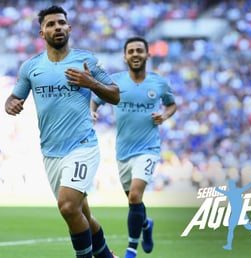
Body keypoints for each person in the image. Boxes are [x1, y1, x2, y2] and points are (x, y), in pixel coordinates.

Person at [4, 5, 120, 258]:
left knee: (67, 207)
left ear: (69, 28)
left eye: (61, 23)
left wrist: (91, 83)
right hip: (51, 152)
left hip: (82, 145)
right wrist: (10, 104)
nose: (57, 27)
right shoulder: (30, 67)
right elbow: (14, 97)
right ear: (42, 33)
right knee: (81, 214)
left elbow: (115, 95)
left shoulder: (86, 60)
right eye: (51, 24)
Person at [91, 36, 177, 258]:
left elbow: (171, 104)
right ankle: (146, 225)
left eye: (140, 50)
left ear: (148, 54)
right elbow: (96, 99)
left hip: (148, 149)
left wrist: (164, 115)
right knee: (134, 202)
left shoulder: (159, 83)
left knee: (134, 197)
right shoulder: (115, 82)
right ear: (125, 56)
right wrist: (92, 111)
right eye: (131, 51)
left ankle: (131, 250)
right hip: (123, 152)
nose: (135, 54)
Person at [215, 176, 251, 250]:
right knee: (231, 229)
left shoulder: (236, 191)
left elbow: (247, 187)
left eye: (231, 184)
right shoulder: (231, 192)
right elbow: (222, 192)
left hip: (240, 212)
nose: (230, 186)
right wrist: (217, 189)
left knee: (246, 226)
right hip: (236, 213)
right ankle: (229, 245)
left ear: (233, 185)